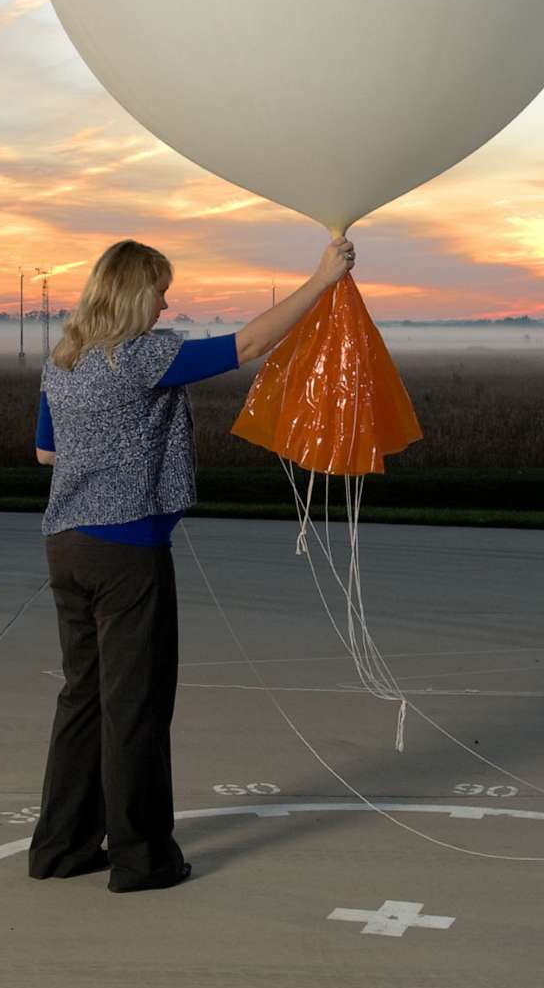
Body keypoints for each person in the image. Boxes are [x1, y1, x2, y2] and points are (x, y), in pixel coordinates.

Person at [29, 232, 357, 891]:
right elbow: (249, 345)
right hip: (127, 553)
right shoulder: (145, 356)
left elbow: (45, 455)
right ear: (132, 294)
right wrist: (322, 278)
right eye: (159, 289)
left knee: (84, 700)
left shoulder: (63, 360)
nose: (166, 301)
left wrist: (102, 450)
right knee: (136, 707)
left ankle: (60, 848)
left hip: (67, 545)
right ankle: (142, 857)